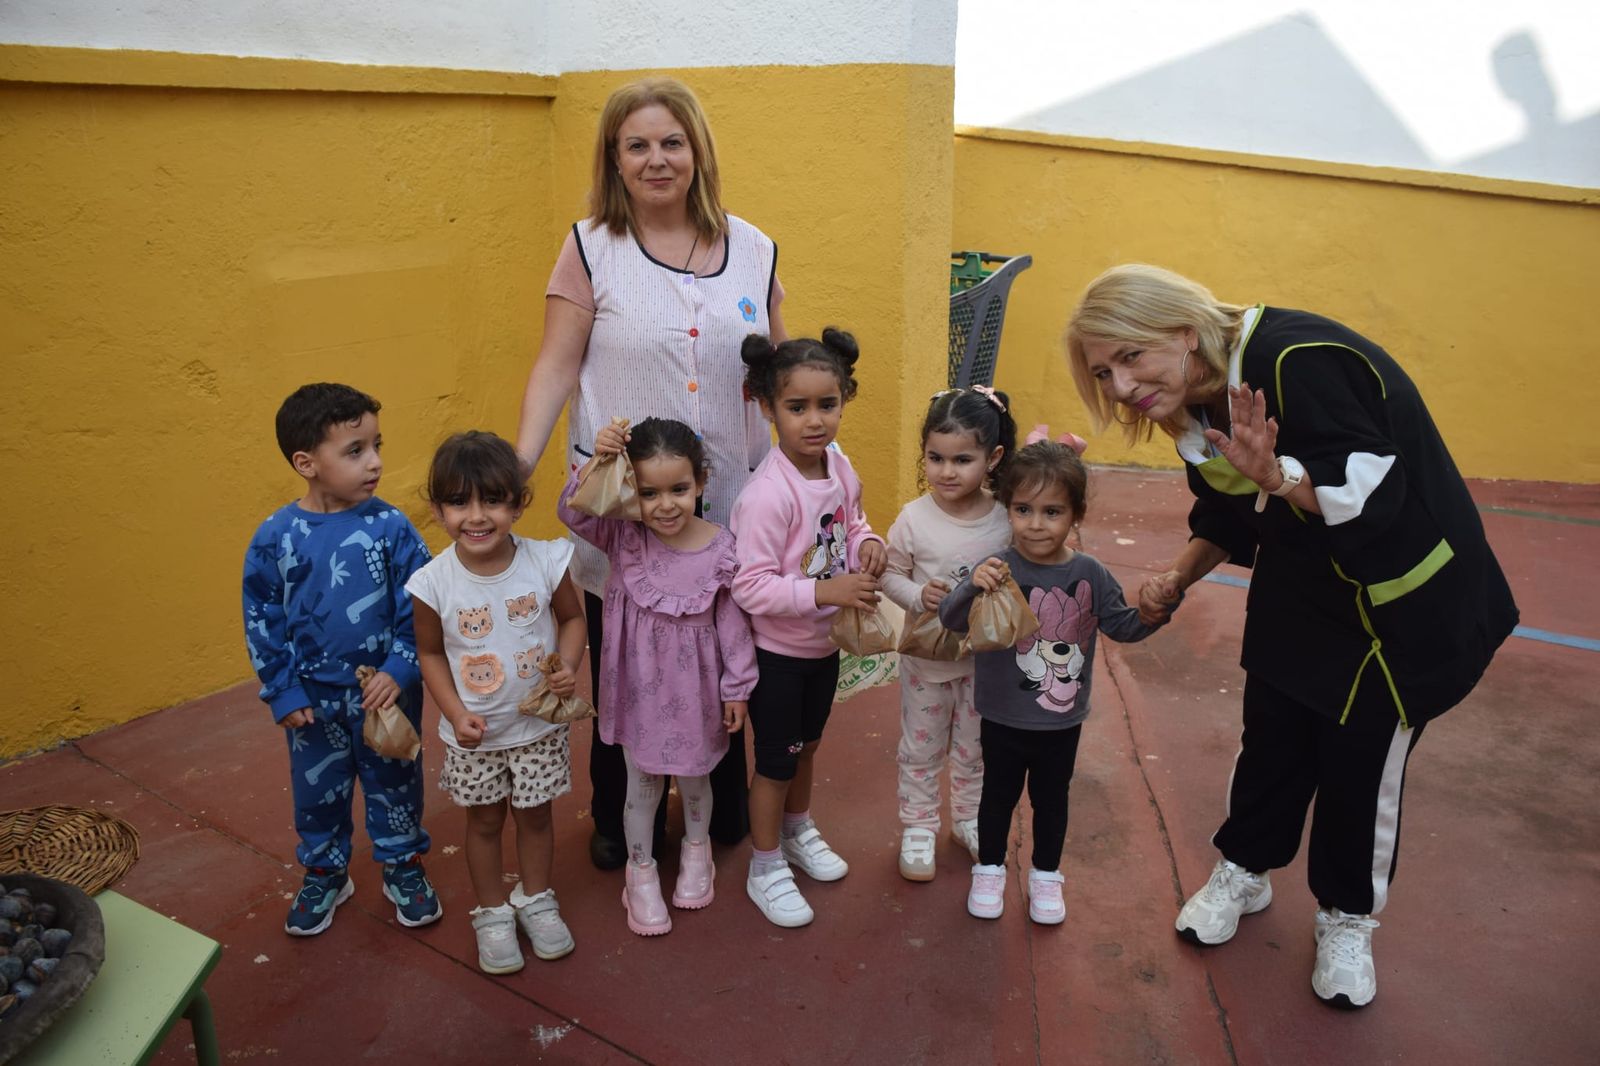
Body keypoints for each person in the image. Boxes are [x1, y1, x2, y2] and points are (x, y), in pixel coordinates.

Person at [1064, 263, 1518, 1007]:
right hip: (1303, 591)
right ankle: (1244, 869)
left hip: (1399, 605)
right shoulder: (1194, 399)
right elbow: (1226, 508)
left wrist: (1275, 476)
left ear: (1182, 330)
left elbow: (1372, 491)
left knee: (1359, 764)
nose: (1120, 386)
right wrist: (1175, 581)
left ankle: (1347, 918)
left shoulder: (1297, 361)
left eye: (1129, 357)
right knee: (1272, 737)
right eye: (1104, 372)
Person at [515, 76, 787, 869]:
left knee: (721, 651)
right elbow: (556, 364)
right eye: (637, 144)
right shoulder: (590, 246)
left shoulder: (756, 247)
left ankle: (723, 807)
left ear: (698, 152)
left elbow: (777, 378)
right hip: (624, 511)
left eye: (672, 142)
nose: (657, 158)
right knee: (624, 654)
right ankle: (615, 814)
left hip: (726, 505)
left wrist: (811, 478)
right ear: (614, 158)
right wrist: (520, 464)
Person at [242, 382, 441, 937]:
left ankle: (403, 864)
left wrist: (400, 670)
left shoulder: (392, 528)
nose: (374, 462)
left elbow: (423, 608)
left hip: (386, 700)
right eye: (355, 451)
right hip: (312, 702)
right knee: (317, 793)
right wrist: (282, 690)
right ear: (306, 462)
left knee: (395, 784)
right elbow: (262, 619)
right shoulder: (275, 538)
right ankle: (326, 871)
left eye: (377, 445)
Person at [940, 434, 1165, 924]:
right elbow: (953, 621)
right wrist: (970, 588)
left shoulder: (1091, 573)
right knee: (996, 796)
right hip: (1000, 714)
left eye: (1052, 512)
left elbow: (1123, 627)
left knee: (1051, 800)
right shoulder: (997, 569)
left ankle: (1045, 876)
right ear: (1008, 509)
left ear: (1075, 515)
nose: (1036, 524)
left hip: (1061, 722)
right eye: (1023, 510)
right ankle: (991, 870)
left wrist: (1154, 612)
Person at [556, 417, 758, 936]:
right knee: (640, 782)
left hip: (698, 694)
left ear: (702, 483)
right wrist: (600, 463)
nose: (665, 505)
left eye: (679, 489)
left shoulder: (723, 548)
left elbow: (734, 627)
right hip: (639, 692)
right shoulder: (623, 536)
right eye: (648, 492)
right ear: (631, 492)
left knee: (697, 778)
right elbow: (571, 510)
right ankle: (640, 870)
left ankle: (698, 852)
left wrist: (736, 688)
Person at [405, 431, 586, 974]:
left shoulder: (545, 562)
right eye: (459, 502)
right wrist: (454, 712)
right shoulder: (432, 583)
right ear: (438, 509)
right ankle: (490, 913)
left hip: (537, 728)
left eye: (492, 500)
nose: (476, 516)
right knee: (484, 823)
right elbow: (430, 654)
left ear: (518, 502)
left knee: (535, 818)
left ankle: (536, 899)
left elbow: (573, 619)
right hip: (476, 735)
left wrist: (570, 667)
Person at [729, 329, 884, 927]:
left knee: (808, 746)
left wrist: (868, 545)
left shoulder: (838, 466)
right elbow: (749, 586)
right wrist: (825, 590)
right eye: (797, 407)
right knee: (775, 762)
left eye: (828, 404)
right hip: (778, 657)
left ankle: (797, 830)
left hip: (825, 647)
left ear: (845, 398)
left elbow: (855, 522)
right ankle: (764, 865)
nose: (815, 420)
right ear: (766, 408)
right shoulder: (768, 495)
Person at [880, 387, 1016, 882]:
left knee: (975, 747)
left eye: (963, 459)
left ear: (993, 457)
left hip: (986, 664)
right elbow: (889, 575)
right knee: (921, 746)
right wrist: (918, 596)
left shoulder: (1006, 518)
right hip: (928, 663)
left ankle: (968, 818)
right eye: (936, 458)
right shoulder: (914, 518)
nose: (947, 471)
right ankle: (918, 825)